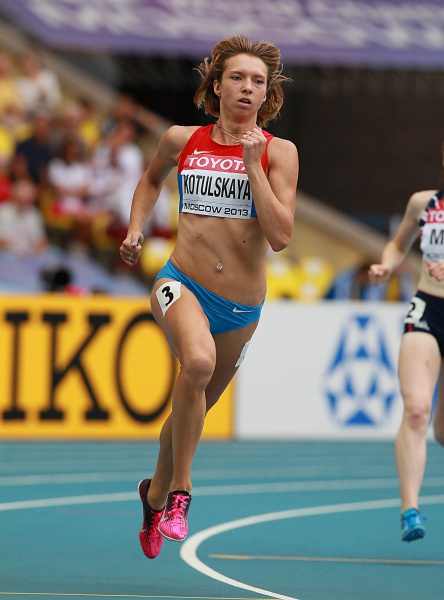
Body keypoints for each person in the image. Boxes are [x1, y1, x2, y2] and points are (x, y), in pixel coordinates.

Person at [119, 34, 298, 559]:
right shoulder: (181, 139)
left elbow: (281, 236)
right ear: (217, 86)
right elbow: (150, 180)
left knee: (189, 411)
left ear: (266, 94)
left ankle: (153, 494)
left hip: (240, 308)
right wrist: (135, 229)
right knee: (196, 364)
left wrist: (253, 165)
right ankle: (181, 493)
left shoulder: (280, 153)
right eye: (237, 77)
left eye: (258, 81)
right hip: (181, 282)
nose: (247, 88)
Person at [369, 181, 444, 543]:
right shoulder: (424, 203)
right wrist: (387, 265)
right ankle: (409, 509)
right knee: (416, 410)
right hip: (427, 308)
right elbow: (399, 244)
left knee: (441, 433)